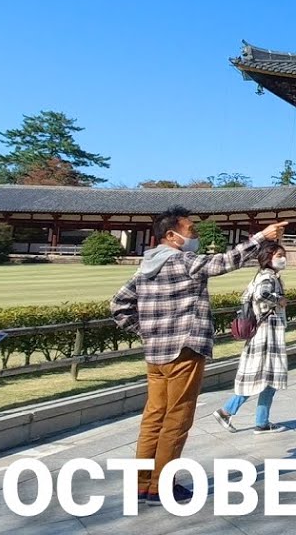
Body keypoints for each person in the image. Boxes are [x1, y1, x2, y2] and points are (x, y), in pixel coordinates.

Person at [110, 207, 286, 505]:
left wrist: (147, 331)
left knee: (154, 417)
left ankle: (142, 483)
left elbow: (118, 305)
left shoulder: (145, 266)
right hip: (184, 351)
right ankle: (161, 487)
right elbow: (223, 262)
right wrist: (261, 237)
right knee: (177, 419)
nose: (195, 236)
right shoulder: (182, 260)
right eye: (190, 231)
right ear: (171, 236)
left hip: (156, 354)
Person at [213, 242, 290, 434]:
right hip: (267, 335)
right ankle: (227, 411)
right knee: (263, 377)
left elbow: (247, 296)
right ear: (269, 257)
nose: (283, 258)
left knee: (266, 379)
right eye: (279, 255)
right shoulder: (268, 277)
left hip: (266, 333)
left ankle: (261, 422)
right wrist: (278, 300)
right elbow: (261, 293)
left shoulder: (263, 276)